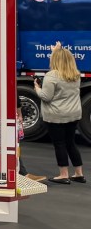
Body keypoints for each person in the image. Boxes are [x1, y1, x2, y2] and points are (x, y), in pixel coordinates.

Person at [34, 41, 85, 185]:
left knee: (60, 144)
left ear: (55, 60)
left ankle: (63, 175)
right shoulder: (75, 74)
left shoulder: (51, 76)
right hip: (73, 114)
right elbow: (61, 59)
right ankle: (79, 174)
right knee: (71, 143)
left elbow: (46, 96)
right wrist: (56, 50)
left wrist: (37, 88)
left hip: (57, 116)